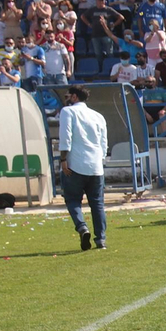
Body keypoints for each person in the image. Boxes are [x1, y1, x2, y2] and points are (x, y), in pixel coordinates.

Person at [57, 86, 110, 252]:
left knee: (72, 199)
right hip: (95, 166)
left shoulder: (68, 112)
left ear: (74, 97)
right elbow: (104, 142)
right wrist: (99, 160)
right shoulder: (98, 116)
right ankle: (100, 239)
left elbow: (66, 137)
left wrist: (63, 159)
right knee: (97, 203)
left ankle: (82, 227)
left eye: (67, 95)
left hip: (76, 164)